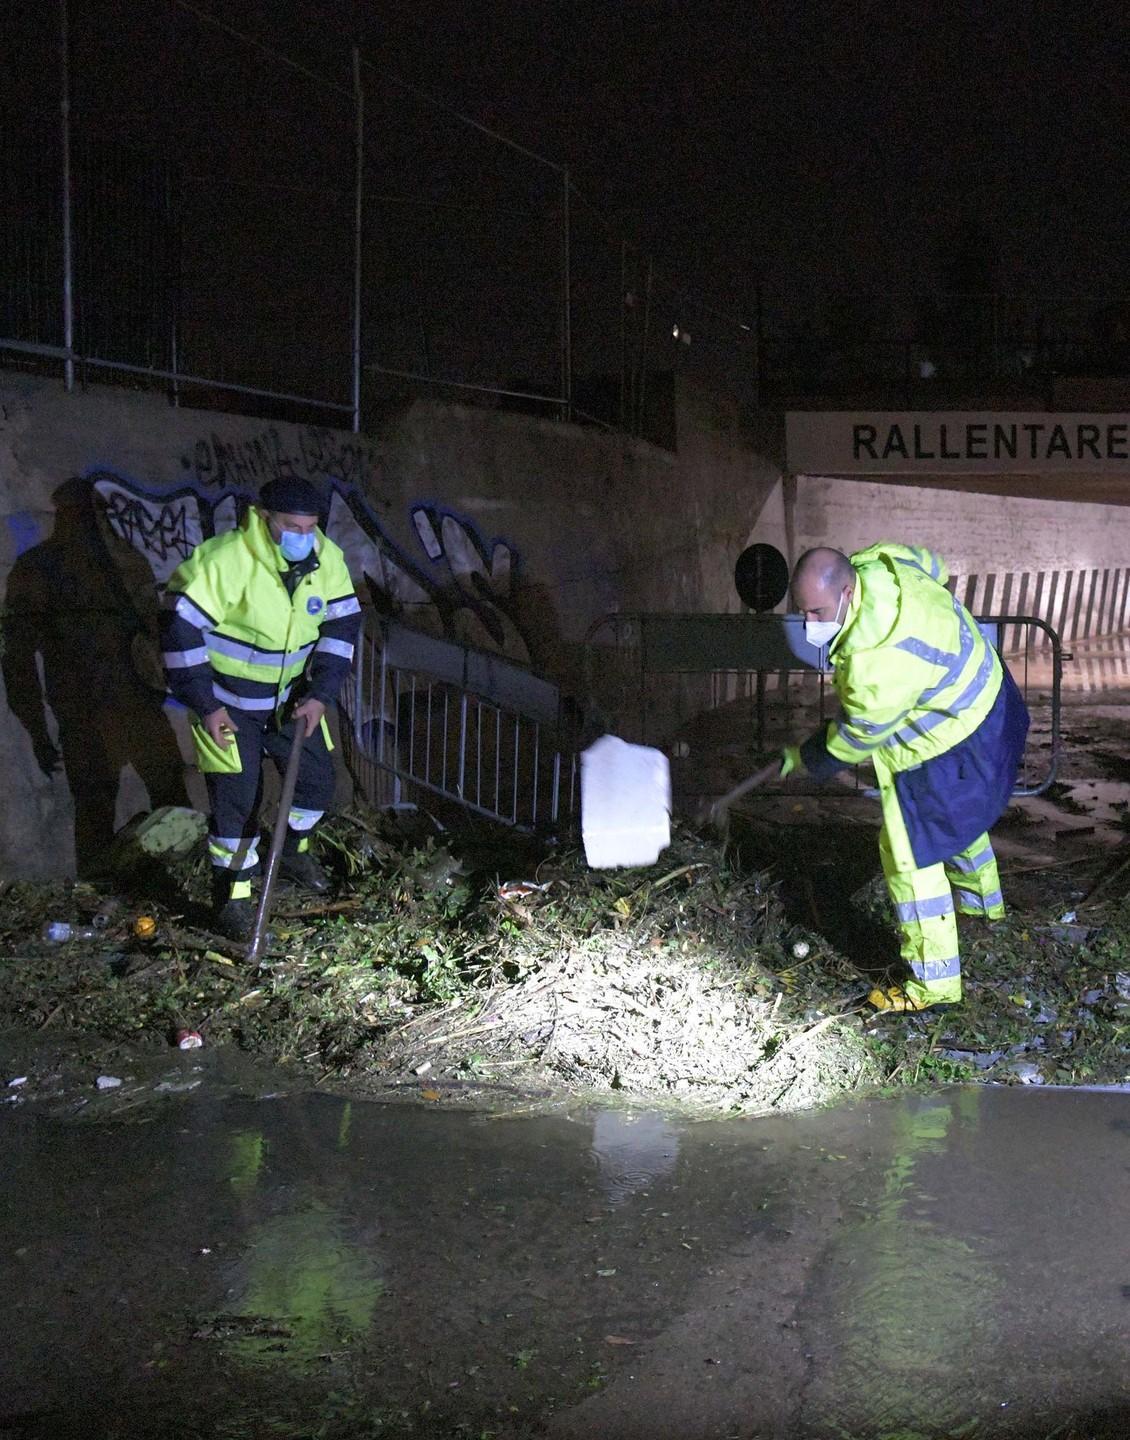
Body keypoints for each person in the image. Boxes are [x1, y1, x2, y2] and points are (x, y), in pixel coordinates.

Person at [784, 542, 1029, 1012]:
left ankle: (933, 984)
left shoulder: (876, 660)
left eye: (816, 611)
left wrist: (805, 757)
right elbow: (935, 564)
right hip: (992, 696)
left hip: (953, 740)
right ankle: (985, 911)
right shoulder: (884, 561)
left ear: (847, 591)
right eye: (802, 613)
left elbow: (857, 736)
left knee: (907, 852)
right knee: (958, 818)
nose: (811, 624)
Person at [159, 476, 362, 940]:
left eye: (310, 528)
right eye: (292, 527)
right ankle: (232, 901)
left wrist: (320, 695)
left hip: (291, 702)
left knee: (316, 783)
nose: (303, 538)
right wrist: (207, 707)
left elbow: (342, 625)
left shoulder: (325, 558)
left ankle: (291, 853)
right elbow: (181, 633)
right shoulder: (226, 561)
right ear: (263, 517)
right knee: (238, 807)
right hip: (227, 708)